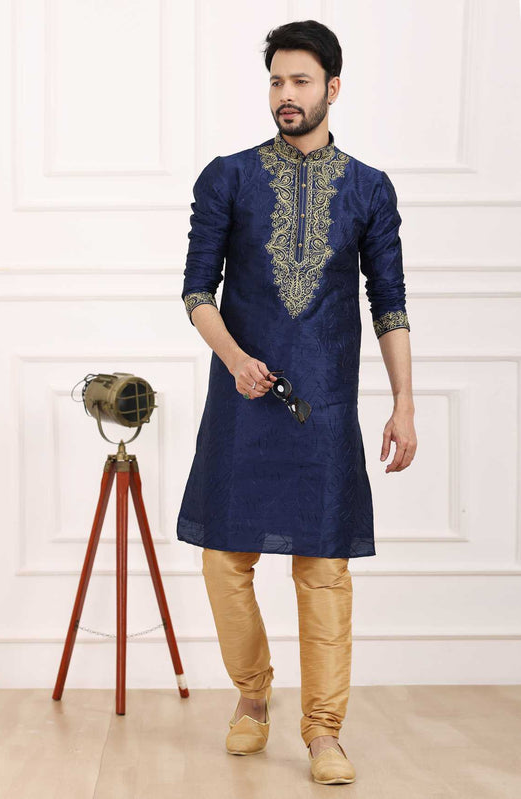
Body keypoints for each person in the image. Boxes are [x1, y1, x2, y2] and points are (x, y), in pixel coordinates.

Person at [176, 19, 417, 785]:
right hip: (242, 400)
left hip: (324, 403)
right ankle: (252, 695)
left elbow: (389, 303)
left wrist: (403, 403)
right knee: (223, 558)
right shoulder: (228, 177)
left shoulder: (368, 188)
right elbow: (196, 291)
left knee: (324, 570)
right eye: (276, 80)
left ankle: (323, 730)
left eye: (300, 81)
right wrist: (234, 359)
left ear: (331, 88)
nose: (285, 93)